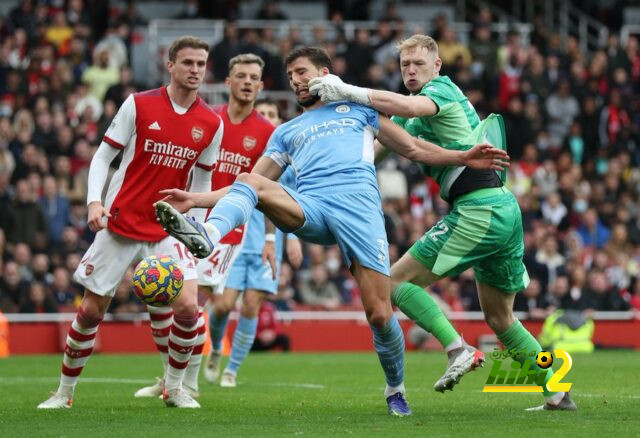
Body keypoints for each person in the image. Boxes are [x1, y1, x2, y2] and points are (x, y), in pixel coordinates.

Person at [154, 46, 508, 417]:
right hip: (312, 208)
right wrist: (197, 200)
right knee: (249, 180)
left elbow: (414, 148)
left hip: (359, 212)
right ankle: (207, 235)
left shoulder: (359, 111)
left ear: (324, 72)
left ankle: (395, 389)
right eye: (291, 75)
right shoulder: (286, 132)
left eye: (302, 72)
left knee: (379, 314)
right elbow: (252, 183)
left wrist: (462, 157)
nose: (296, 80)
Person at [308, 34, 576, 411]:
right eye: (405, 65)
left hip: (479, 209)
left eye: (419, 63)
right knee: (501, 318)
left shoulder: (442, 90)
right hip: (500, 209)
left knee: (396, 281)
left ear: (437, 66)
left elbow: (405, 107)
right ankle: (558, 391)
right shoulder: (408, 115)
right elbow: (373, 154)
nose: (411, 70)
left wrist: (346, 90)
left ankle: (458, 350)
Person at [37, 36, 224, 410]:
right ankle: (64, 393)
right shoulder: (139, 104)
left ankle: (174, 388)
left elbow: (202, 182)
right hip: (120, 222)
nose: (195, 70)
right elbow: (103, 155)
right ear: (170, 66)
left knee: (188, 307)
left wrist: (196, 227)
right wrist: (94, 202)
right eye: (188, 63)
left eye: (201, 64)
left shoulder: (211, 122)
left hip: (169, 227)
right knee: (91, 310)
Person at [133, 53, 276, 399]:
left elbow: (271, 188)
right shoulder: (208, 121)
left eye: (253, 77)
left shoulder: (267, 132)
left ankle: (186, 385)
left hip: (227, 232)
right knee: (167, 301)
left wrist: (270, 236)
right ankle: (172, 378)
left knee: (196, 304)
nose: (246, 82)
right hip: (189, 222)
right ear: (228, 82)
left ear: (260, 85)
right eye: (240, 75)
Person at [203, 98, 303, 388]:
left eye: (273, 113)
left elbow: (295, 203)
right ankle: (218, 347)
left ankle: (232, 370)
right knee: (222, 306)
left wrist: (293, 238)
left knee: (250, 306)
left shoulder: (287, 164)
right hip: (236, 241)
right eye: (264, 114)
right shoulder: (243, 153)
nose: (269, 118)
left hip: (268, 244)